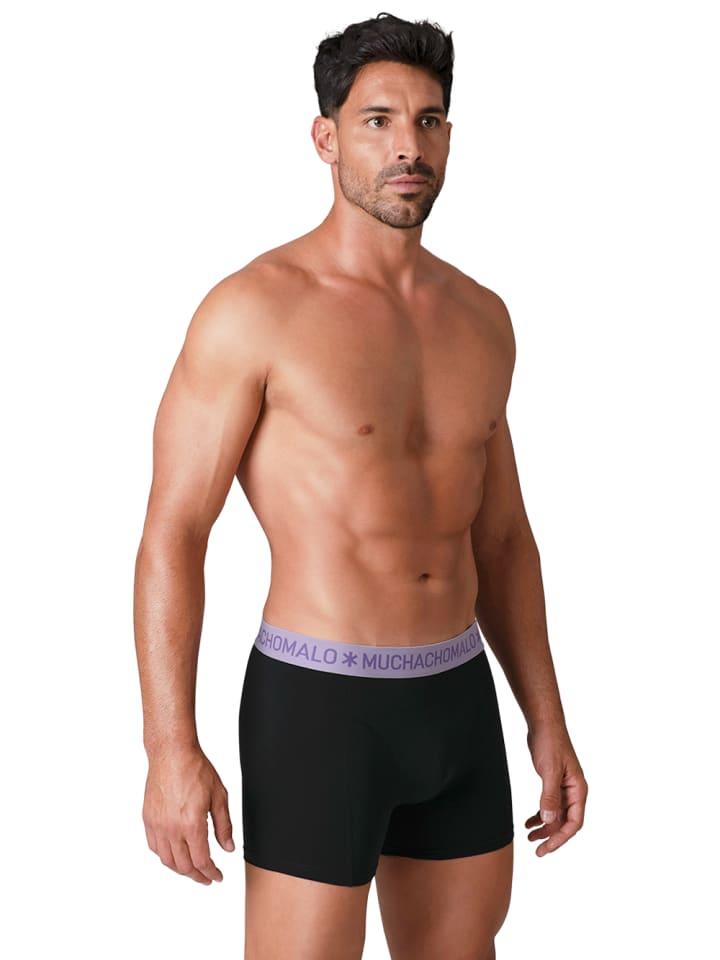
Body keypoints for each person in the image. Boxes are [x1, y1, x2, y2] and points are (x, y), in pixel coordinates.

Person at [134, 11, 588, 959]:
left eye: (428, 121)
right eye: (378, 121)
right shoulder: (254, 310)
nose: (406, 146)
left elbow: (503, 539)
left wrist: (546, 719)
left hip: (458, 701)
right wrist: (170, 748)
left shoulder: (483, 318)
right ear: (326, 137)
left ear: (449, 138)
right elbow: (175, 530)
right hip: (320, 708)